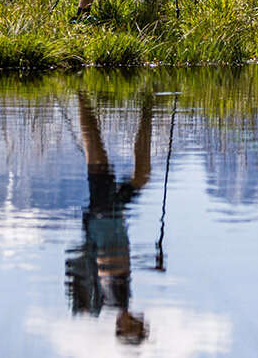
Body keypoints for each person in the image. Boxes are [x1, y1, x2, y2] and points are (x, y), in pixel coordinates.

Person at [65, 92, 155, 345]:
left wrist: (143, 259)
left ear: (123, 326)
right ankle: (144, 107)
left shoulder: (117, 301)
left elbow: (107, 263)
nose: (142, 322)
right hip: (109, 215)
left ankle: (83, 95)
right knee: (137, 173)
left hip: (105, 214)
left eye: (137, 328)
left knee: (96, 151)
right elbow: (114, 262)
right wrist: (146, 260)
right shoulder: (120, 299)